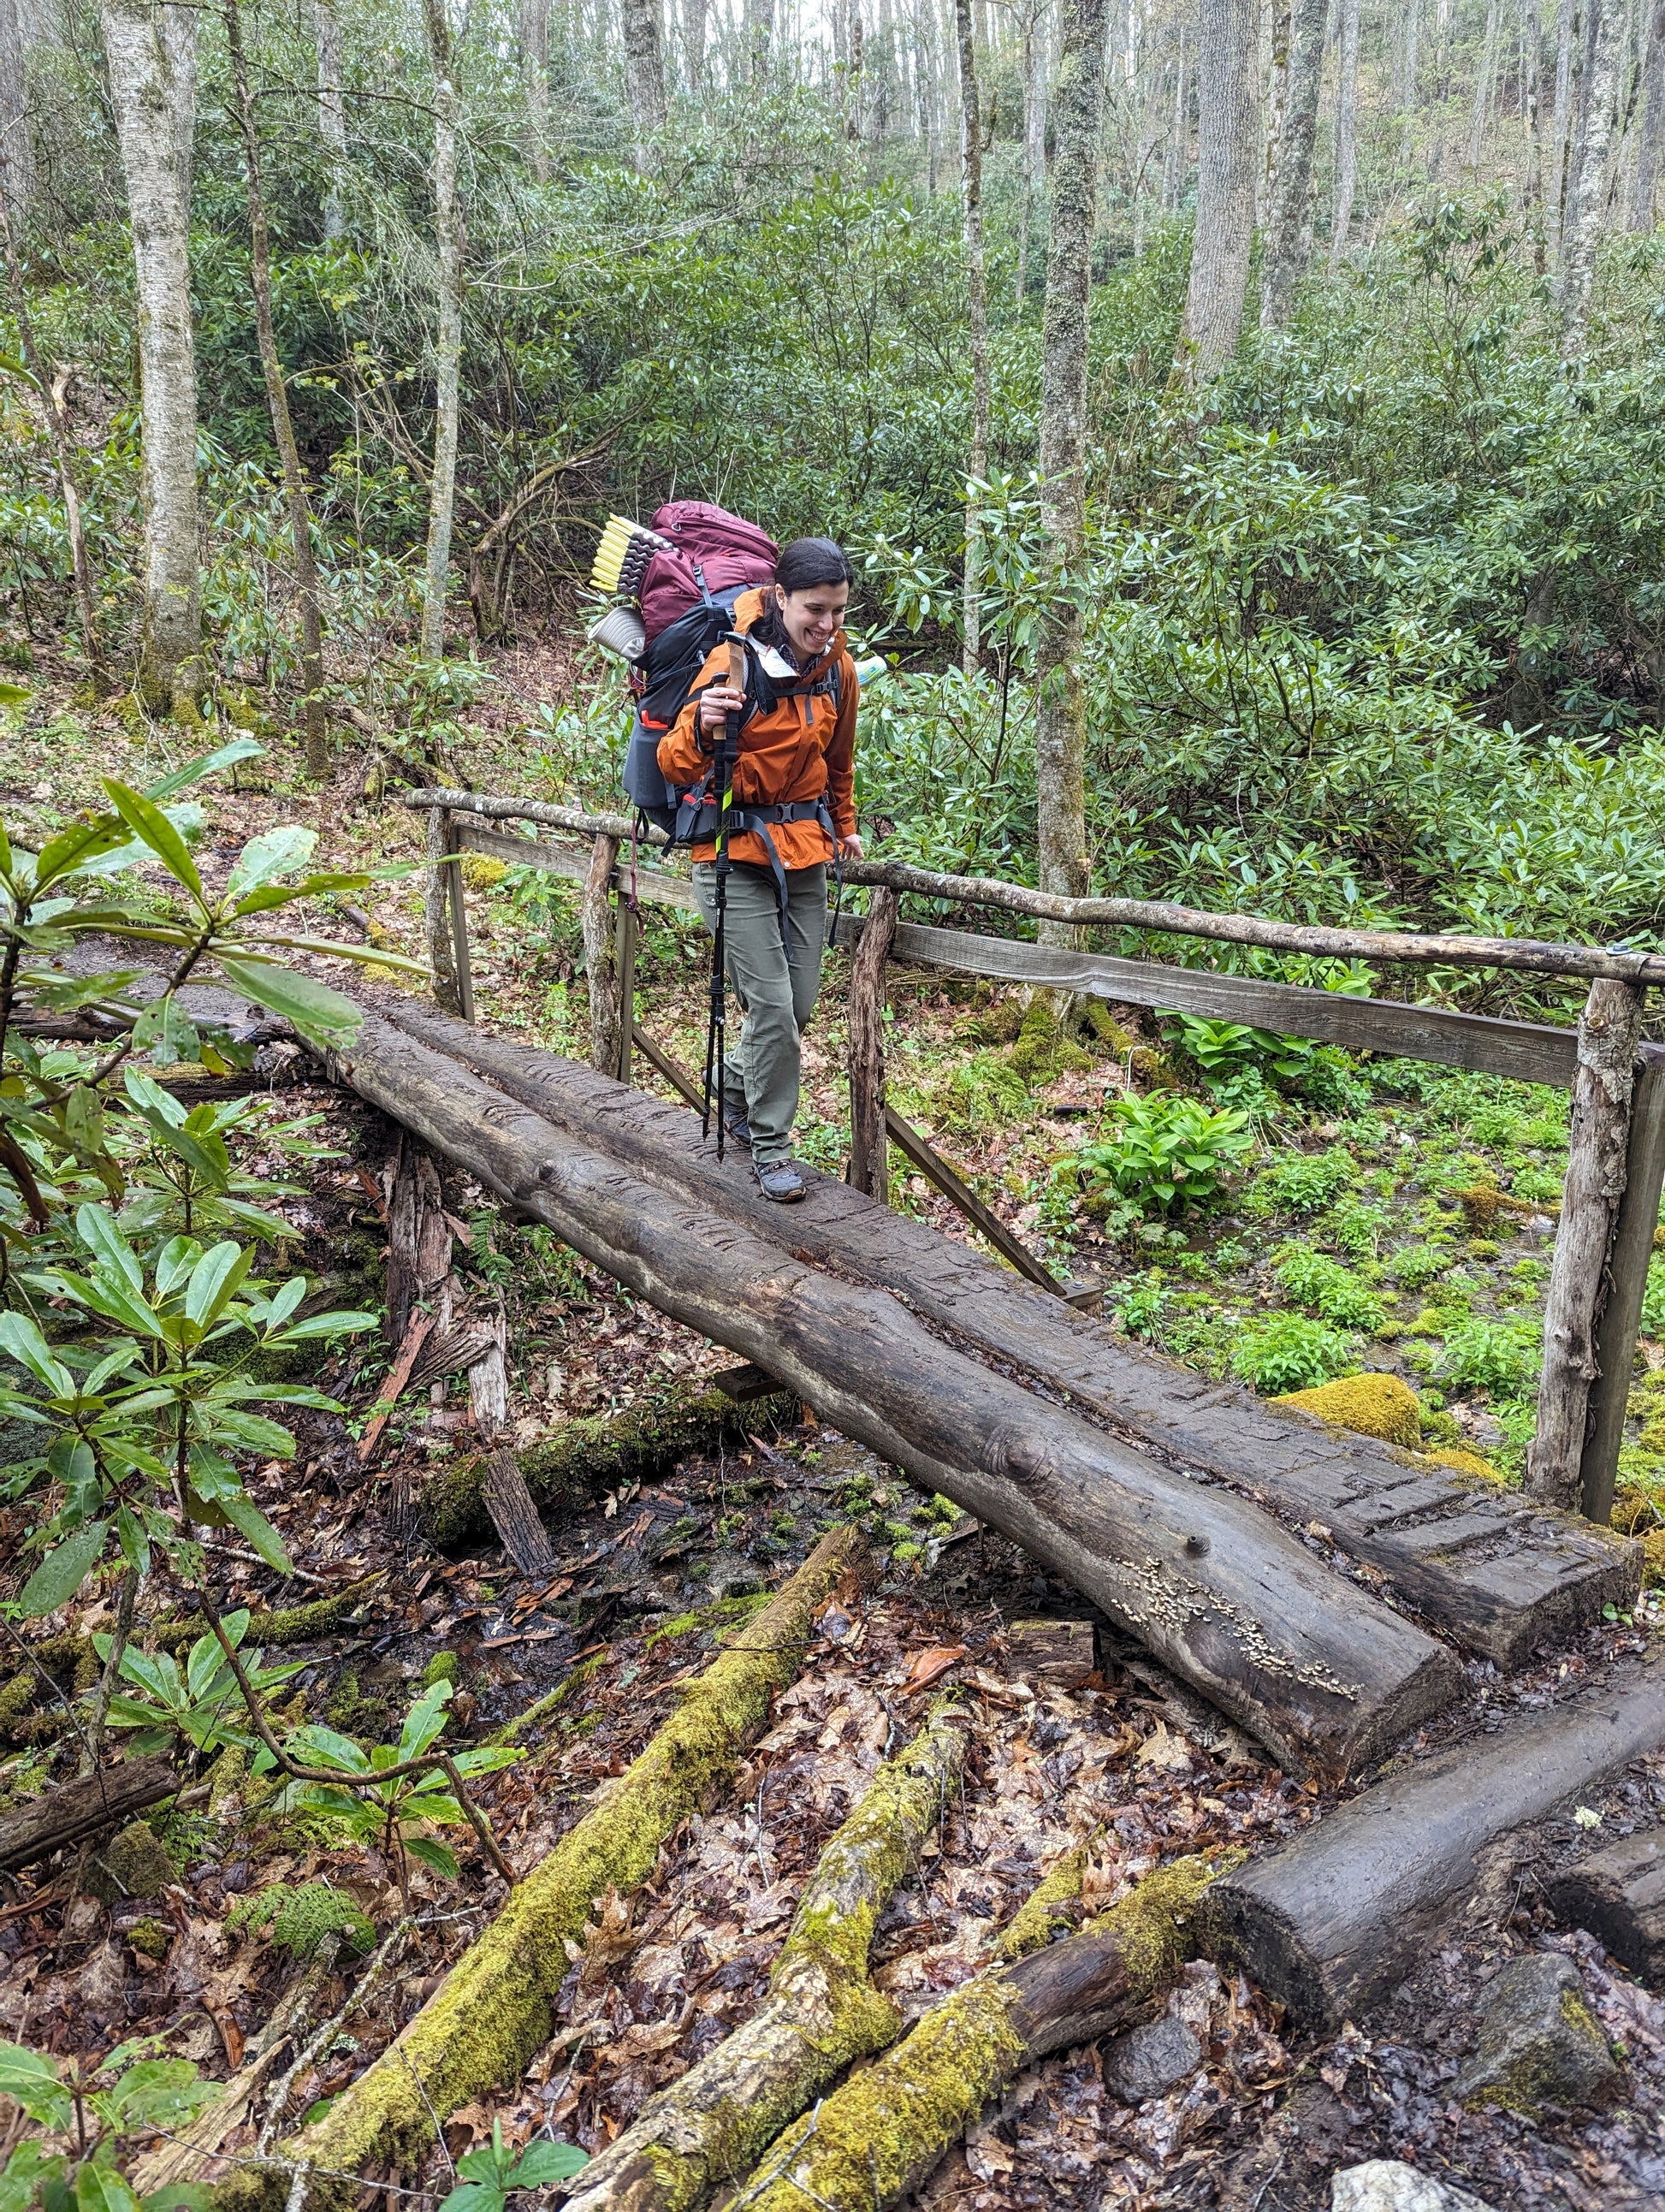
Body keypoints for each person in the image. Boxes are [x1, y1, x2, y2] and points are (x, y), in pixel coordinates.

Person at [658, 537, 863, 1203]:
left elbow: (839, 764)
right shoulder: (731, 661)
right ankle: (769, 1144)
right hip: (731, 852)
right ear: (781, 597)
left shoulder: (839, 670)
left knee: (795, 1006)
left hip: (805, 851)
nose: (827, 625)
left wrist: (849, 828)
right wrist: (701, 725)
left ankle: (732, 1078)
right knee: (771, 1005)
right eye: (815, 609)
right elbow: (673, 764)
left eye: (837, 610)